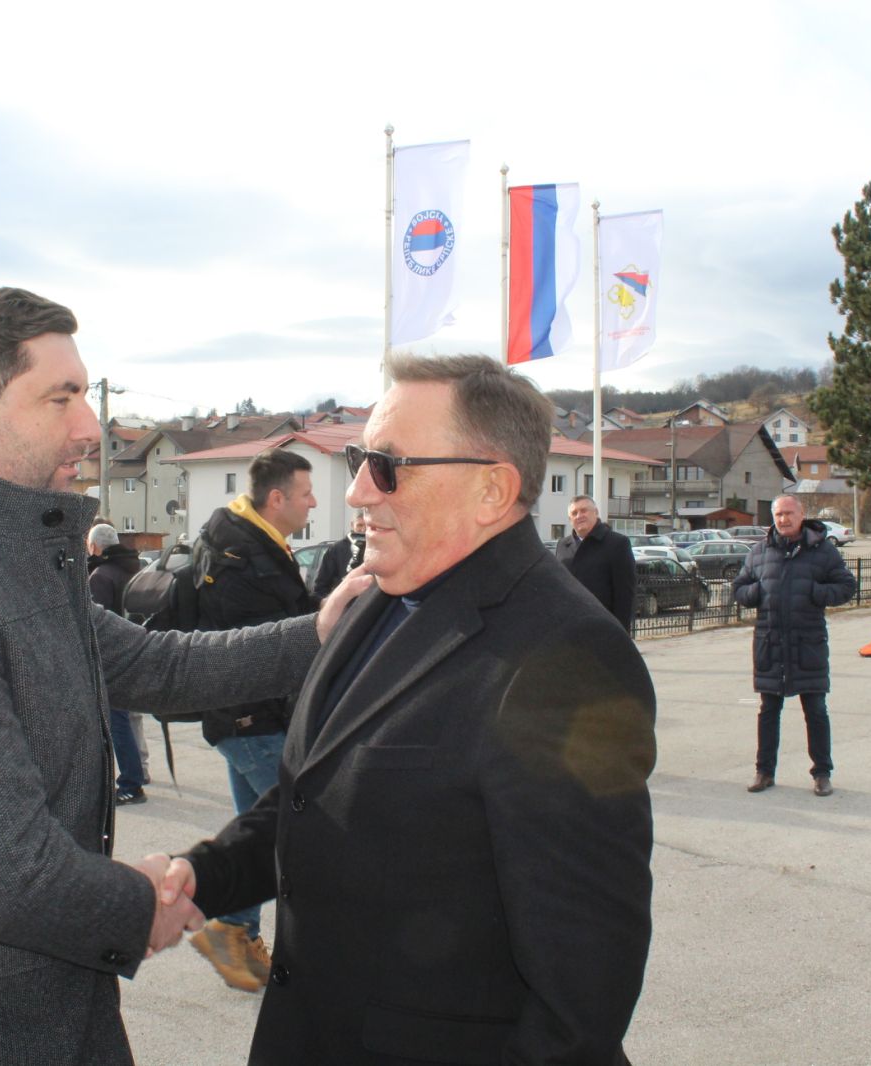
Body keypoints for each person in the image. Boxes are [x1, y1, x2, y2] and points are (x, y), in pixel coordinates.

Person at [0, 287, 367, 1066]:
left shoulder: (0, 550)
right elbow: (8, 874)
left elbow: (153, 664)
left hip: (40, 1009)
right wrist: (149, 902)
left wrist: (322, 632)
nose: (90, 425)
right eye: (61, 398)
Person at [154, 353, 657, 1064]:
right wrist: (207, 874)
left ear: (491, 489)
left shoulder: (566, 656)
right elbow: (315, 797)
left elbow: (585, 977)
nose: (357, 490)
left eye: (388, 466)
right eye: (359, 460)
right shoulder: (376, 598)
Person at [188, 448, 319, 993]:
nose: (315, 503)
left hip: (243, 718)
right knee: (304, 832)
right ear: (277, 498)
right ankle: (311, 955)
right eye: (307, 493)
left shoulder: (249, 541)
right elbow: (273, 641)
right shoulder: (245, 558)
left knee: (260, 831)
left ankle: (234, 930)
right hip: (252, 719)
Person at [732, 494, 856, 797]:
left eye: (788, 513)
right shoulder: (760, 551)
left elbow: (846, 586)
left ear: (802, 515)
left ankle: (822, 773)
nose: (783, 519)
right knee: (768, 711)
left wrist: (815, 592)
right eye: (778, 514)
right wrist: (756, 593)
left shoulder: (822, 551)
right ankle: (764, 771)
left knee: (816, 711)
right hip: (770, 644)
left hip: (808, 644)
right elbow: (739, 588)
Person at [86, 522, 148, 806]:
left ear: (94, 547)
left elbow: (94, 624)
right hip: (137, 650)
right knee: (129, 719)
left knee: (117, 722)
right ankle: (138, 773)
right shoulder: (134, 569)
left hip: (110, 657)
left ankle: (131, 783)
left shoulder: (100, 576)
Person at [554, 494, 638, 627]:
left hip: (603, 627)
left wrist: (620, 632)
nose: (579, 516)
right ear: (570, 519)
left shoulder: (617, 544)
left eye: (584, 510)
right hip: (569, 627)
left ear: (596, 513)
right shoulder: (562, 546)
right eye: (574, 513)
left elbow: (625, 595)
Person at [311, 512, 366, 599]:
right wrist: (328, 603)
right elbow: (321, 585)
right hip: (344, 604)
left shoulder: (378, 548)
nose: (363, 529)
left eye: (367, 525)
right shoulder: (337, 549)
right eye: (360, 525)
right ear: (352, 525)